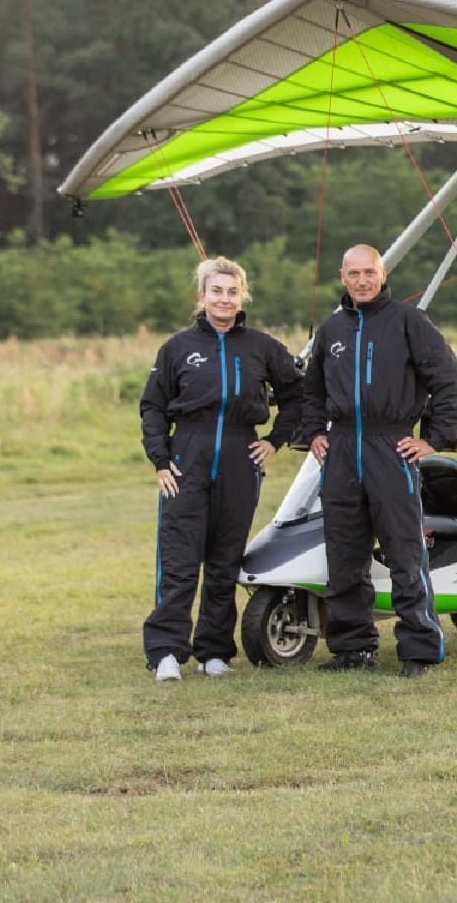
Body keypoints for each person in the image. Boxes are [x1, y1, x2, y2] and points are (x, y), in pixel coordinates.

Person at [302, 243, 457, 678]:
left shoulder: (409, 322)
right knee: (344, 555)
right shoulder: (331, 330)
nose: (361, 280)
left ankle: (419, 649)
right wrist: (315, 432)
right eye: (353, 273)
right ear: (342, 276)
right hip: (342, 451)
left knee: (405, 553)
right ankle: (353, 648)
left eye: (369, 272)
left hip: (390, 447)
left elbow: (449, 381)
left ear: (382, 273)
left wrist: (434, 438)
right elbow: (311, 392)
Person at [141, 256, 302, 682]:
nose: (224, 299)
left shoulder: (262, 347)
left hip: (240, 456)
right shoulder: (177, 348)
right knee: (179, 561)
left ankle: (214, 651)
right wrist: (161, 460)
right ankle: (166, 652)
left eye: (232, 292)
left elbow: (297, 394)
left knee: (224, 560)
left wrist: (274, 440)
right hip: (187, 457)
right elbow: (153, 407)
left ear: (241, 296)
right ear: (202, 295)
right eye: (217, 291)